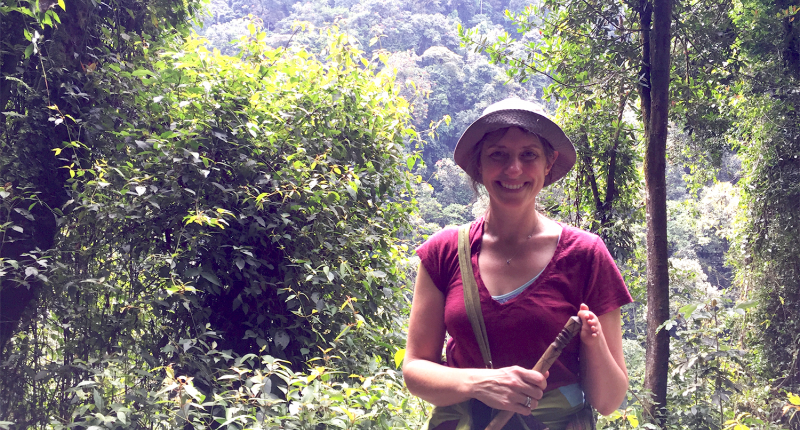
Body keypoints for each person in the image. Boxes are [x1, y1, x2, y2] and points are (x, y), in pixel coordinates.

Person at [403, 98, 633, 430]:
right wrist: (480, 384)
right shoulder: (444, 251)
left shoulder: (586, 254)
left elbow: (608, 401)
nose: (514, 169)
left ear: (548, 163)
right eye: (498, 154)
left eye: (529, 155)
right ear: (479, 164)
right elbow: (415, 371)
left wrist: (593, 344)